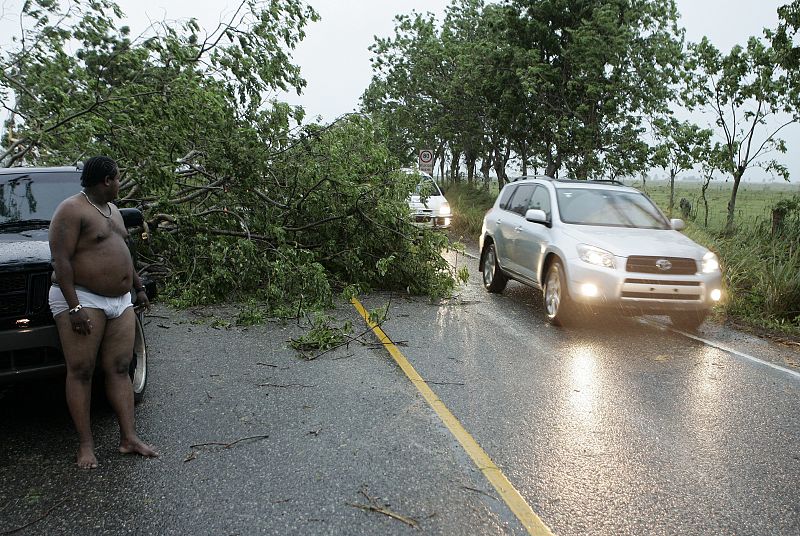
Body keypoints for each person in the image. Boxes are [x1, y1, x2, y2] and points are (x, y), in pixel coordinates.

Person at [48, 156, 158, 469]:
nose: (120, 184)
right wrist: (74, 306)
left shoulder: (112, 211)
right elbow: (61, 261)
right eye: (118, 178)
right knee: (82, 370)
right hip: (84, 297)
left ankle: (129, 438)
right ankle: (85, 446)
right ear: (106, 181)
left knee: (120, 367)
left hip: (120, 300)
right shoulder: (71, 210)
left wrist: (137, 287)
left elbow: (124, 254)